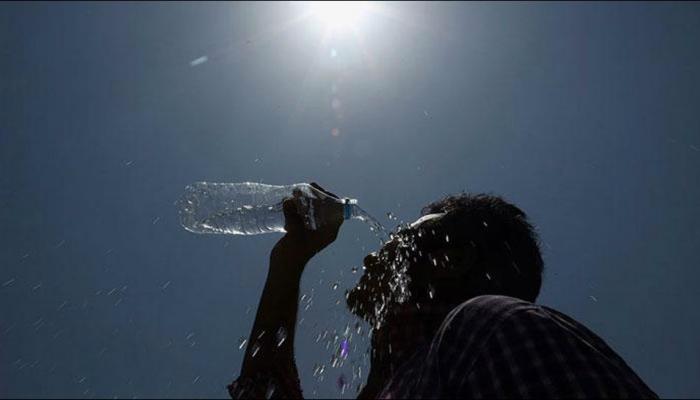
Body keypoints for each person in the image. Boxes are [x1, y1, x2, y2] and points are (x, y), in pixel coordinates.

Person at [228, 183, 657, 399]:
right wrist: (289, 259)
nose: (372, 259)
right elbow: (263, 391)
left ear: (449, 260)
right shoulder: (398, 382)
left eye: (398, 242)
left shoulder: (490, 330)